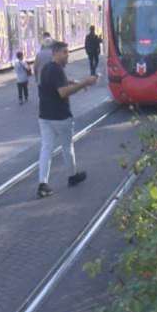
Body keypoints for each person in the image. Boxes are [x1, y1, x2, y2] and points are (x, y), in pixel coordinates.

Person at [36, 41, 99, 198]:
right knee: (67, 147)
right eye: (65, 52)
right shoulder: (57, 69)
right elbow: (63, 92)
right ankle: (72, 176)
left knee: (46, 149)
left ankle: (42, 183)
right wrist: (85, 82)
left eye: (68, 52)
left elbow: (52, 85)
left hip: (44, 116)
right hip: (60, 116)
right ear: (56, 53)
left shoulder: (46, 68)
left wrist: (71, 82)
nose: (67, 56)